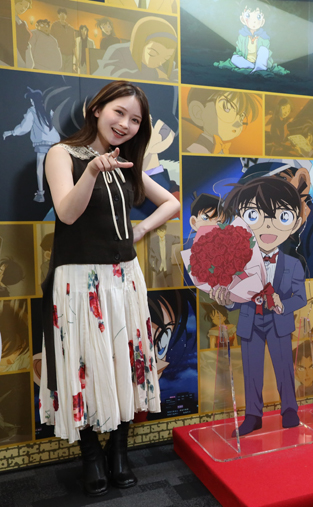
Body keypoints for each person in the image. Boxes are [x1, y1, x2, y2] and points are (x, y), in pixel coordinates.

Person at [38, 81, 180, 496]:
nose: (125, 124)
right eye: (119, 112)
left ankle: (119, 451)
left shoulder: (125, 163)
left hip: (124, 277)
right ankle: (90, 456)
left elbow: (171, 202)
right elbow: (66, 213)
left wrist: (141, 229)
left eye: (135, 120)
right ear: (97, 109)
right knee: (82, 363)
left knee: (125, 361)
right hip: (77, 278)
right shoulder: (62, 153)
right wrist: (92, 171)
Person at [211, 176, 307, 435]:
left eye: (281, 217)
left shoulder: (293, 264)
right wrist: (227, 299)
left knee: (284, 369)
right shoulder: (238, 262)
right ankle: (253, 416)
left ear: (295, 223)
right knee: (251, 371)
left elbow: (301, 298)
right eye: (254, 215)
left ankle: (290, 410)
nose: (268, 225)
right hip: (250, 321)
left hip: (278, 322)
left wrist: (283, 303)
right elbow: (234, 297)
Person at [3, 87, 62, 202]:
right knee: (55, 167)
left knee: (40, 167)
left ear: (33, 100)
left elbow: (24, 127)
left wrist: (12, 132)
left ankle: (41, 194)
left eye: (30, 99)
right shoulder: (47, 110)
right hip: (55, 142)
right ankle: (59, 192)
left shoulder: (32, 111)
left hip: (42, 142)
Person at [94, 17, 178, 82]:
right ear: (139, 44)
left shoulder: (166, 63)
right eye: (152, 54)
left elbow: (176, 77)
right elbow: (112, 77)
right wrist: (154, 73)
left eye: (166, 58)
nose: (159, 63)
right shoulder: (117, 51)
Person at [214, 5, 288, 76]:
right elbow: (239, 51)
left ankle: (260, 68)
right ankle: (253, 67)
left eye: (258, 17)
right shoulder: (242, 36)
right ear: (242, 19)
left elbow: (266, 55)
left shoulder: (264, 37)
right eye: (248, 16)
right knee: (234, 58)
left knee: (264, 50)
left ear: (262, 21)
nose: (254, 21)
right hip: (247, 61)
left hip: (260, 62)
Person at [185, 88, 259, 154]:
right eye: (226, 108)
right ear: (198, 112)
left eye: (241, 117)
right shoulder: (194, 150)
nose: (238, 124)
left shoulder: (221, 150)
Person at [51, 8, 76, 73]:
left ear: (66, 16)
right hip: (59, 53)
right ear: (58, 15)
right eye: (61, 14)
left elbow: (74, 43)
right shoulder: (54, 26)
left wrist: (76, 57)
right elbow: (51, 40)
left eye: (64, 14)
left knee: (68, 73)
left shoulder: (71, 28)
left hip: (70, 55)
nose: (62, 15)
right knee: (59, 72)